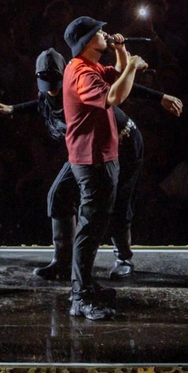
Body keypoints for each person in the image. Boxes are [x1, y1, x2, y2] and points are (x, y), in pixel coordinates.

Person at [0, 47, 182, 283]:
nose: (53, 89)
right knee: (58, 194)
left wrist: (159, 97)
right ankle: (63, 262)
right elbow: (42, 104)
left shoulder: (79, 82)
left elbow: (119, 89)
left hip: (123, 141)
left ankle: (124, 258)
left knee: (117, 201)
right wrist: (12, 109)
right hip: (87, 148)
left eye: (56, 82)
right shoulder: (46, 93)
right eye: (47, 83)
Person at [59, 16, 147, 320]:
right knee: (90, 227)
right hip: (92, 160)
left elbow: (118, 75)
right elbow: (115, 96)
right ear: (86, 42)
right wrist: (133, 66)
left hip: (101, 156)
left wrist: (123, 54)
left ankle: (85, 285)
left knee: (95, 226)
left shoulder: (91, 67)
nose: (105, 34)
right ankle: (79, 296)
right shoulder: (82, 73)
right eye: (99, 32)